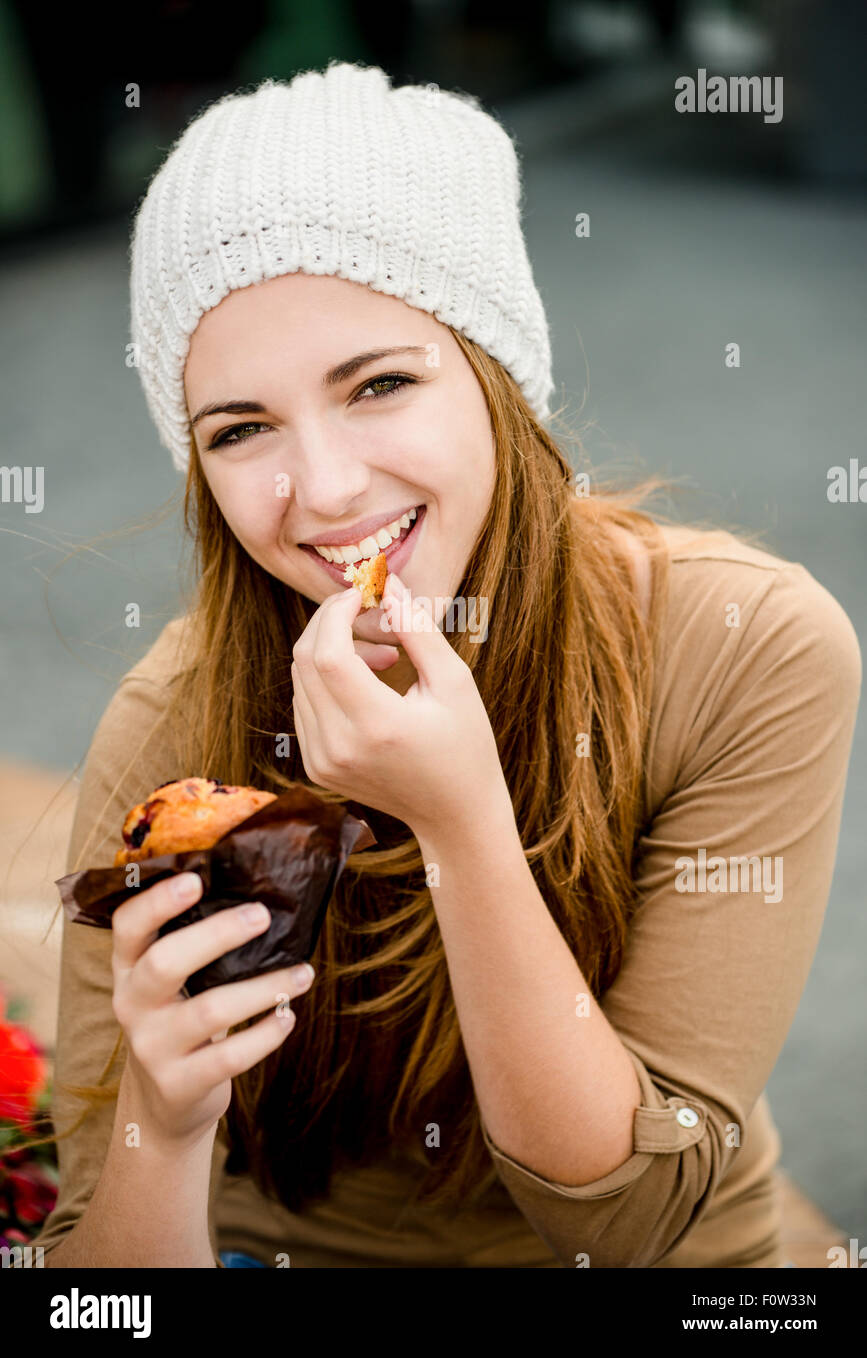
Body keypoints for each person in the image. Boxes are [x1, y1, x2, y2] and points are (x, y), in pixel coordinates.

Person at [31, 62, 860, 1269]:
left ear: (495, 377)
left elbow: (620, 1218)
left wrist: (462, 824)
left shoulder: (748, 648)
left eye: (380, 384)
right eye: (242, 428)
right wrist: (165, 1123)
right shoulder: (178, 713)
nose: (321, 489)